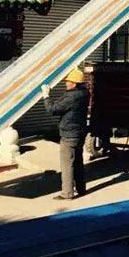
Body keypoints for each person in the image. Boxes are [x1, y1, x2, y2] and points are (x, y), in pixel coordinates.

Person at [41, 68, 89, 200]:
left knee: (67, 164)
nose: (66, 83)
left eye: (68, 81)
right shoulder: (84, 93)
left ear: (74, 83)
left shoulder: (71, 97)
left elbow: (52, 109)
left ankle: (67, 193)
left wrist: (46, 95)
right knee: (78, 162)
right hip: (79, 133)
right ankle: (81, 189)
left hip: (69, 135)